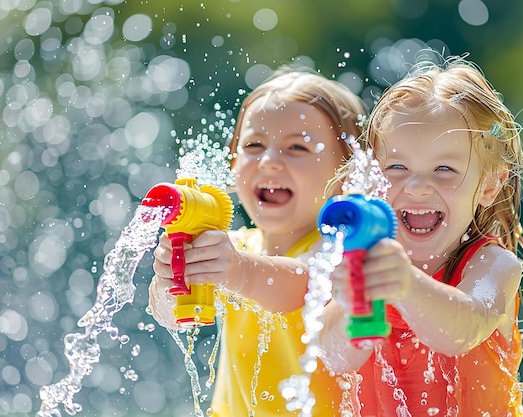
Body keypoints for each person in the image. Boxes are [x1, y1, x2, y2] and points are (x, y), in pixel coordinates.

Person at [318, 55, 523, 416]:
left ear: (489, 185)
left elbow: (461, 330)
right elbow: (334, 355)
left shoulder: (493, 266)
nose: (417, 187)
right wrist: (350, 302)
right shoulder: (360, 264)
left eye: (444, 168)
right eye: (396, 167)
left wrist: (405, 283)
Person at [148, 66, 367, 416]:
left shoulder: (342, 251)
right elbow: (171, 315)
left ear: (348, 173)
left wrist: (238, 271)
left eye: (297, 147)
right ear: (233, 162)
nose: (269, 161)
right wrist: (171, 279)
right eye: (253, 145)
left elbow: (304, 285)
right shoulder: (234, 247)